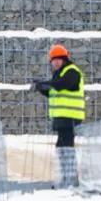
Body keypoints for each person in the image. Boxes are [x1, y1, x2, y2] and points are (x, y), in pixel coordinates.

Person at [32, 44, 85, 188]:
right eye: (53, 60)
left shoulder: (71, 72)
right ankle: (66, 178)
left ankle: (70, 180)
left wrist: (47, 83)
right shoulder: (58, 75)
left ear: (64, 60)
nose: (55, 62)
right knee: (62, 146)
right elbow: (54, 93)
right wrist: (41, 88)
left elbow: (63, 84)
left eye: (57, 60)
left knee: (66, 146)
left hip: (70, 116)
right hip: (62, 118)